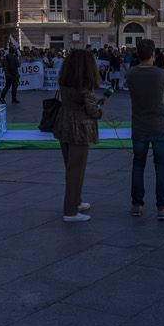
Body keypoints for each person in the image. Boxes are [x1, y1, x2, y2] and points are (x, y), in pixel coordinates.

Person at [126, 39, 164, 220]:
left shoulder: (131, 74)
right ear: (153, 53)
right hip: (159, 126)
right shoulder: (162, 74)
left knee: (138, 165)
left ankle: (136, 205)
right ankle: (162, 208)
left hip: (139, 126)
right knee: (161, 166)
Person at [53, 49, 103, 222]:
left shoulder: (64, 80)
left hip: (63, 123)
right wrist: (99, 110)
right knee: (76, 169)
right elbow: (92, 110)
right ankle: (70, 211)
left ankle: (76, 201)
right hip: (79, 128)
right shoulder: (84, 85)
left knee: (70, 166)